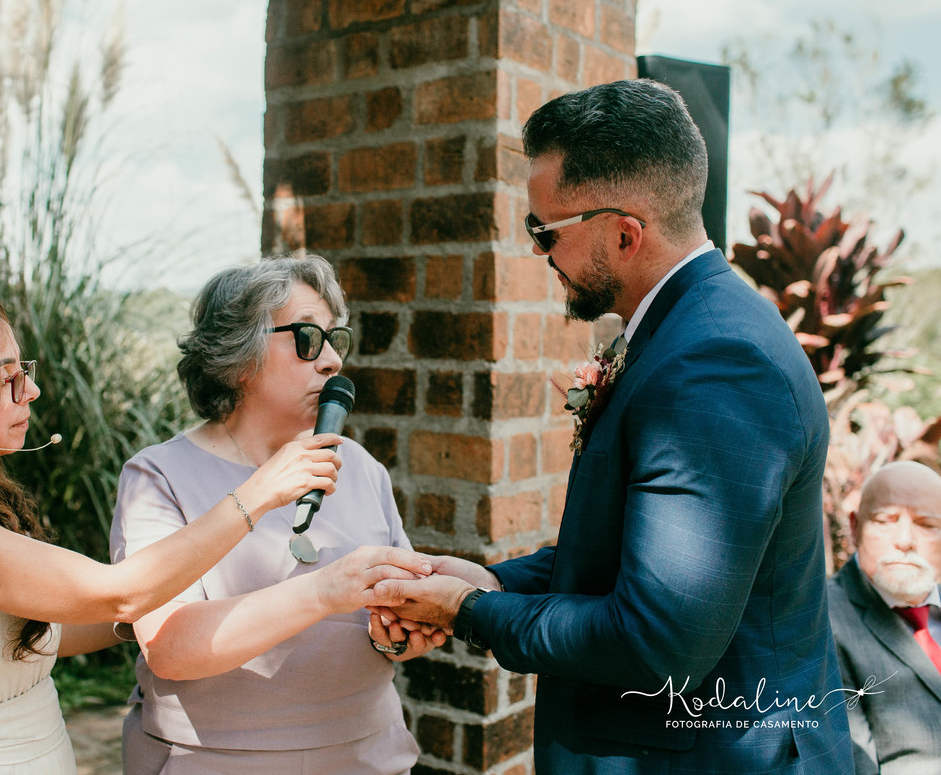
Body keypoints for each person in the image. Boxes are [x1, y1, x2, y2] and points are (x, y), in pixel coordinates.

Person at [372, 79, 855, 773]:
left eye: (545, 232)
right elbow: (628, 552)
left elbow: (656, 640)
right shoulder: (683, 329)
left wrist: (468, 611)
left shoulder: (716, 362)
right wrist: (494, 582)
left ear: (625, 233)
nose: (539, 252)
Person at [0, 288, 419, 773]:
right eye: (7, 378)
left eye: (25, 372)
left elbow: (36, 632)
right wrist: (259, 494)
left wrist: (161, 622)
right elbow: (115, 592)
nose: (31, 391)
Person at [110, 255, 442, 774]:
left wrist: (397, 635)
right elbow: (170, 647)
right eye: (308, 337)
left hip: (368, 756)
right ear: (238, 354)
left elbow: (391, 620)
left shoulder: (362, 467)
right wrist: (323, 591)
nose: (332, 360)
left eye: (335, 339)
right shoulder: (158, 477)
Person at [828, 460, 941, 774]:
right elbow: (854, 765)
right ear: (855, 527)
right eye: (884, 520)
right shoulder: (823, 621)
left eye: (926, 524)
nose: (905, 540)